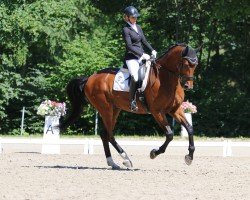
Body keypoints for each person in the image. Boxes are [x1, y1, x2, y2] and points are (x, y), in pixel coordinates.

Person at [122, 6, 157, 112]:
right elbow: (129, 46)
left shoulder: (138, 27)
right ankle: (132, 101)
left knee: (150, 74)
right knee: (136, 77)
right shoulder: (126, 29)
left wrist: (152, 50)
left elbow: (144, 41)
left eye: (136, 17)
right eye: (133, 17)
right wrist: (142, 54)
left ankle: (145, 96)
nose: (135, 19)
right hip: (131, 57)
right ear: (127, 18)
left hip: (142, 56)